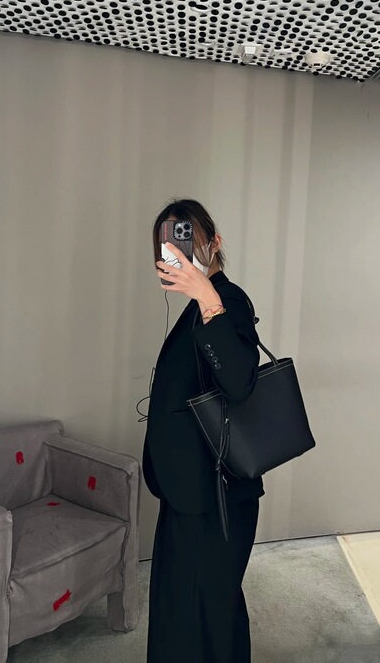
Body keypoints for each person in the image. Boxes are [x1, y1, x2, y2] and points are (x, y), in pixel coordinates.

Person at [143, 198, 264, 663]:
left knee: (208, 615)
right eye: (168, 247)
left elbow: (239, 380)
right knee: (185, 611)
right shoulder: (197, 308)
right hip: (190, 490)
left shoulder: (226, 300)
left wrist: (208, 297)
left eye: (187, 241)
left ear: (214, 244)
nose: (177, 254)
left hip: (216, 497)